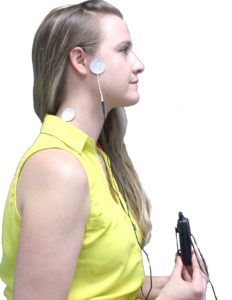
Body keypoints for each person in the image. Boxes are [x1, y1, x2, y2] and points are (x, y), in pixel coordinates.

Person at [0, 0, 208, 299]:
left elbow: (96, 285)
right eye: (123, 50)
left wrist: (166, 284)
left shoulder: (96, 156)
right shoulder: (60, 170)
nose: (138, 63)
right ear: (81, 60)